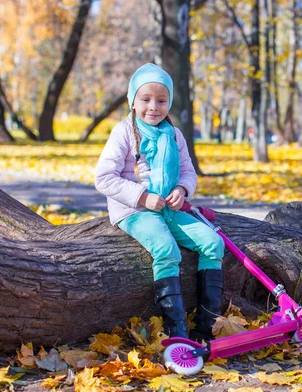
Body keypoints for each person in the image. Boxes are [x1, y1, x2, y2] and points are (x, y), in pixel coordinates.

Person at [95, 63, 225, 341]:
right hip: (134, 210)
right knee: (167, 250)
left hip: (169, 207)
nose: (153, 106)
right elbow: (104, 178)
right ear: (133, 102)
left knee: (213, 243)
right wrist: (141, 196)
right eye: (145, 99)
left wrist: (182, 189)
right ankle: (176, 331)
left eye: (161, 100)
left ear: (170, 102)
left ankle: (206, 328)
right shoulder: (124, 133)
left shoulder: (174, 135)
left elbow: (189, 172)